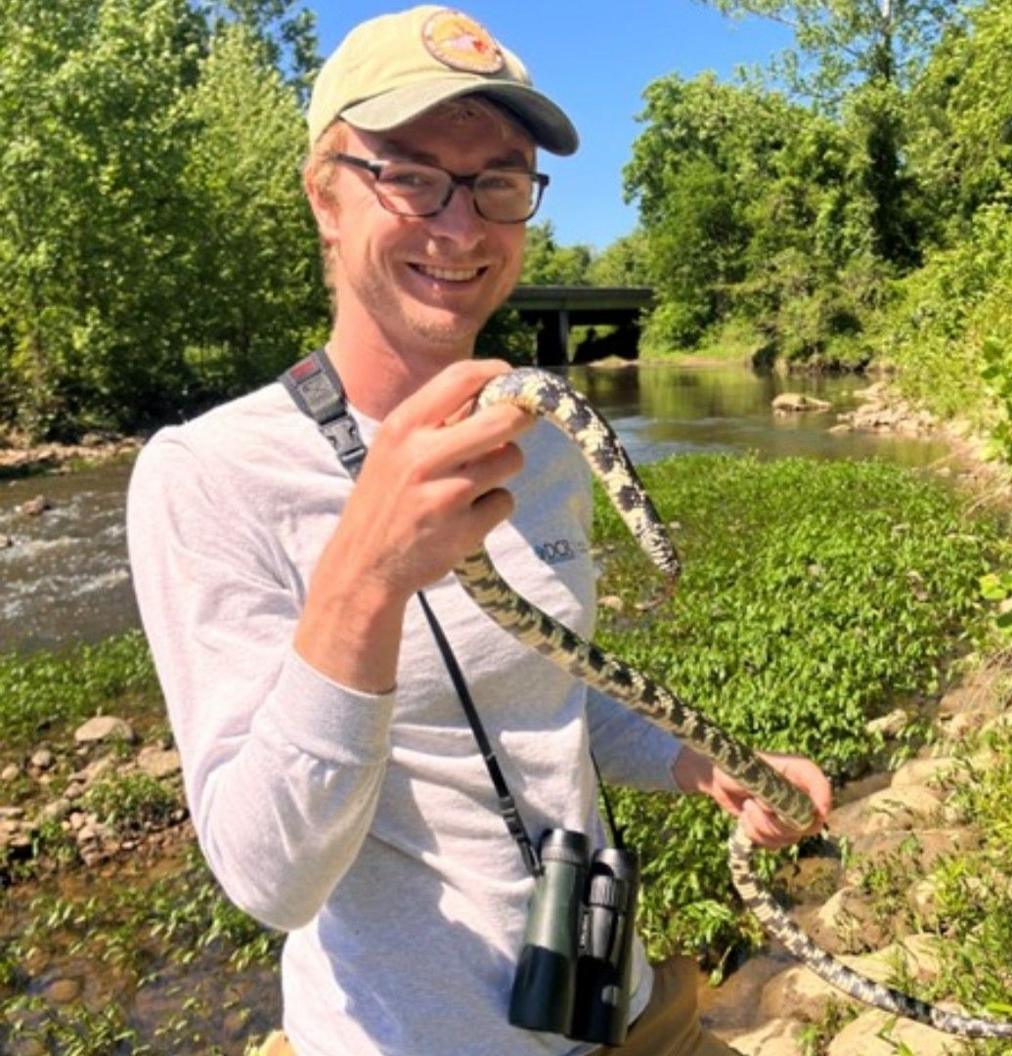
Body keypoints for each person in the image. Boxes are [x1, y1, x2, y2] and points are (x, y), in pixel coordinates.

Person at [127, 7, 831, 1055]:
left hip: (620, 1005)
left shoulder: (544, 435)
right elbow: (268, 880)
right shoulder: (209, 477)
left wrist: (705, 763)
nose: (460, 229)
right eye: (410, 175)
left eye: (499, 181)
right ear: (326, 195)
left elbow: (549, 700)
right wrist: (363, 579)